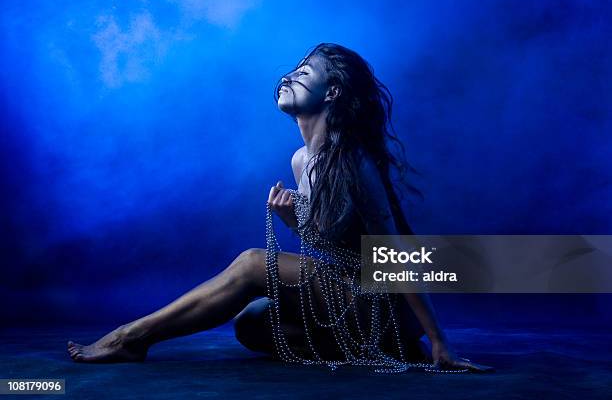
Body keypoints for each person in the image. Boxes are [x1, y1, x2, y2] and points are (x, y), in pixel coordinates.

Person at [67, 43, 492, 373]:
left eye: (304, 73)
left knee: (253, 264)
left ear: (332, 93)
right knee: (252, 323)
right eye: (293, 69)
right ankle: (378, 349)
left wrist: (440, 340)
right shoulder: (301, 161)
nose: (288, 77)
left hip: (388, 303)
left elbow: (392, 252)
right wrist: (296, 223)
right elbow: (338, 245)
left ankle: (132, 337)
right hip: (350, 294)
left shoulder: (354, 161)